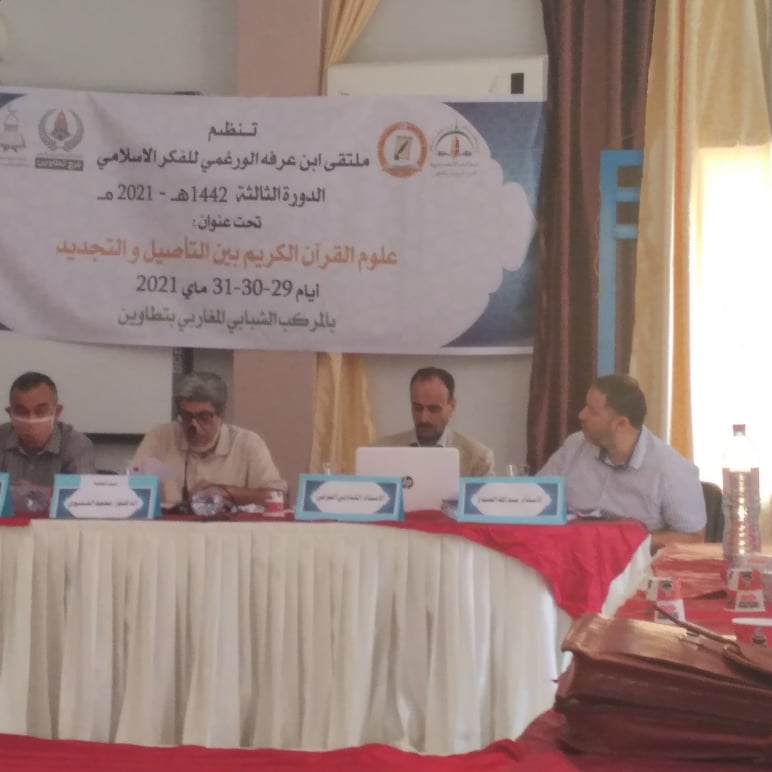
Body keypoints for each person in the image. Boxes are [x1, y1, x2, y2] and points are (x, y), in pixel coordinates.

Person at [539, 373, 706, 551]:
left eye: (592, 411)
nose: (581, 415)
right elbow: (536, 497)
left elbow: (694, 538)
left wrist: (629, 541)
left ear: (621, 424)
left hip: (630, 562)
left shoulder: (671, 470)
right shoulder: (575, 445)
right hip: (565, 552)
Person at [132, 371, 286, 507]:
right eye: (186, 416)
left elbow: (279, 496)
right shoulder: (160, 437)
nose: (194, 426)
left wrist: (226, 492)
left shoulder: (248, 443)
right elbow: (130, 488)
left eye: (203, 417)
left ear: (221, 414)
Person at [374, 366, 495, 477]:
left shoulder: (478, 460)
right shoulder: (379, 452)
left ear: (452, 406)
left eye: (433, 409)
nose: (423, 418)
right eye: (417, 408)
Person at [0, 371, 95, 485]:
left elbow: (83, 493)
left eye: (40, 412)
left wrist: (35, 493)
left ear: (57, 412)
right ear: (10, 413)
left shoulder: (76, 445)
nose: (31, 420)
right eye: (22, 412)